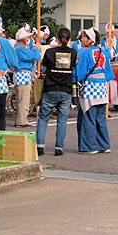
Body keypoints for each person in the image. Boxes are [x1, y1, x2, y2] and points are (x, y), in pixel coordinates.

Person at [36, 27, 77, 156]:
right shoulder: (73, 53)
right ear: (69, 39)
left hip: (50, 88)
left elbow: (43, 69)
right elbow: (74, 67)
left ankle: (40, 145)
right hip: (66, 89)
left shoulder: (49, 52)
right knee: (62, 120)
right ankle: (59, 147)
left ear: (57, 38)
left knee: (43, 118)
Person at [75, 27, 115, 153]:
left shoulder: (86, 53)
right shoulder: (103, 52)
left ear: (89, 39)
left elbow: (79, 73)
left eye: (83, 37)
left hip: (90, 88)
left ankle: (89, 146)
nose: (82, 39)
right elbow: (109, 74)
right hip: (102, 88)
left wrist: (71, 78)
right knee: (100, 119)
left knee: (88, 118)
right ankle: (104, 145)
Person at [13, 26, 41, 127]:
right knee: (24, 100)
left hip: (21, 75)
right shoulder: (20, 49)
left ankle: (20, 119)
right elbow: (36, 56)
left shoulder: (18, 48)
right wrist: (37, 46)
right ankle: (22, 121)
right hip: (23, 75)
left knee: (21, 99)